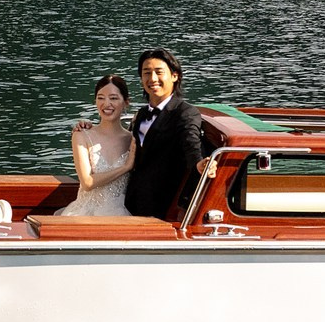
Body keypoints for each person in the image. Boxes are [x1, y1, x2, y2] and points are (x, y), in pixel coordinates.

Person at [124, 46, 220, 219]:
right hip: (133, 198)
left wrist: (199, 163)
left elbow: (191, 140)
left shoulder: (185, 112)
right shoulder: (142, 114)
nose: (152, 78)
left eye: (159, 72)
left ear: (174, 76)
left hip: (162, 204)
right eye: (146, 73)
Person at [64, 74, 137, 215]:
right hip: (85, 213)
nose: (106, 103)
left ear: (126, 102)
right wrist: (125, 167)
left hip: (122, 213)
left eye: (113, 98)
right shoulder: (82, 135)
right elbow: (87, 182)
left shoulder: (132, 140)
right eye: (101, 98)